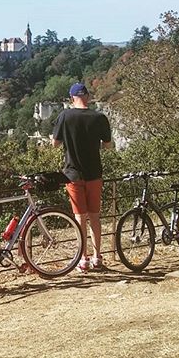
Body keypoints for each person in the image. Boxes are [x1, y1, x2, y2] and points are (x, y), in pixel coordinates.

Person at [52, 83, 112, 272]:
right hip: (95, 172)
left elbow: (55, 143)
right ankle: (97, 257)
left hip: (73, 173)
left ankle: (83, 258)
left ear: (72, 98)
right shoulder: (99, 117)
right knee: (95, 217)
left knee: (79, 217)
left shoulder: (65, 116)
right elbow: (108, 145)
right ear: (88, 97)